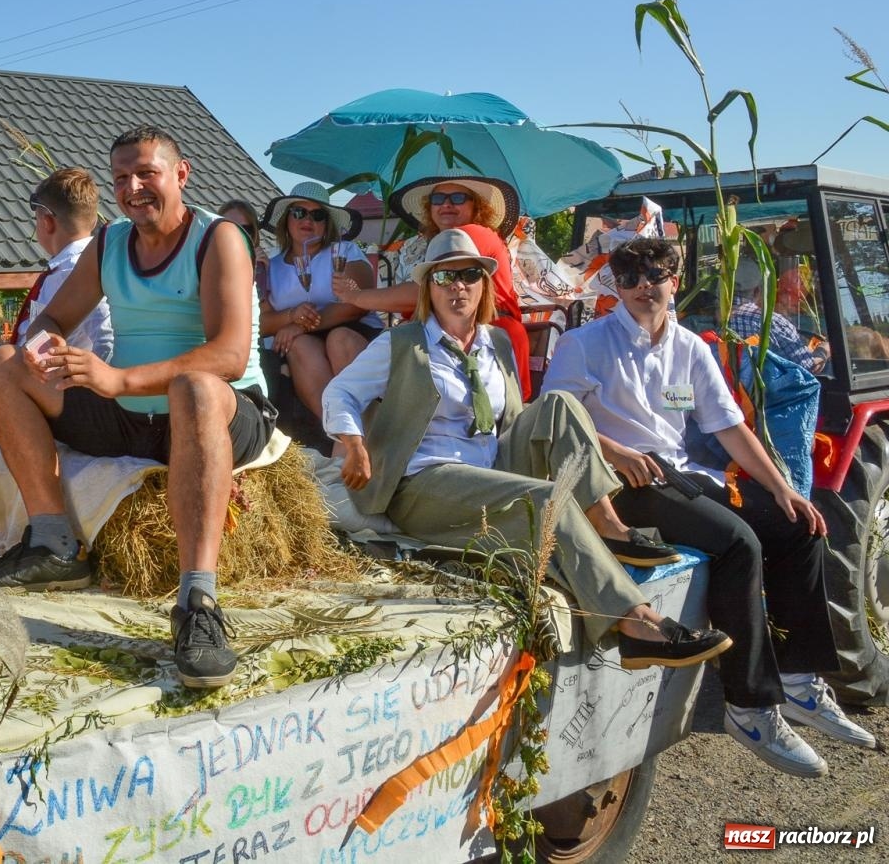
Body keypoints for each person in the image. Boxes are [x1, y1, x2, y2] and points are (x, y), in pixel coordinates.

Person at [322, 228, 731, 668]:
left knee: (560, 404)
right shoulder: (401, 344)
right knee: (547, 499)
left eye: (469, 275)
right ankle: (636, 623)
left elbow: (515, 420)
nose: (458, 286)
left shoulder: (495, 342)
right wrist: (355, 444)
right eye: (444, 277)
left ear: (483, 285)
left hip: (491, 468)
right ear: (428, 288)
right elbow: (340, 393)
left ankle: (609, 525)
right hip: (425, 484)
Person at [542, 236, 875, 777]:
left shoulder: (691, 348)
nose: (643, 287)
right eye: (629, 279)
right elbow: (554, 419)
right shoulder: (585, 344)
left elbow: (728, 426)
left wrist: (783, 488)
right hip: (616, 482)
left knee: (798, 526)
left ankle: (798, 680)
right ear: (617, 288)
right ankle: (749, 706)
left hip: (678, 473)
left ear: (674, 281)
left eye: (654, 275)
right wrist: (617, 451)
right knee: (737, 543)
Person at [0, 125, 275, 690]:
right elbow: (53, 318)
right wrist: (46, 347)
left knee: (193, 388)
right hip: (133, 412)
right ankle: (53, 543)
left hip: (221, 411)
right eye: (120, 178)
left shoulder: (219, 238)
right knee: (2, 364)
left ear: (181, 174)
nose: (133, 188)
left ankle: (198, 602)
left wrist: (118, 379)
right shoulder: (110, 241)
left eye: (146, 174)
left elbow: (230, 355)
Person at [0, 168, 113, 485]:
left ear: (46, 220)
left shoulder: (71, 270)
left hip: (56, 390)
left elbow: (101, 337)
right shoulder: (89, 262)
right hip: (61, 382)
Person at [337, 175, 533, 399]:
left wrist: (356, 297)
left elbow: (419, 293)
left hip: (487, 336)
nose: (446, 204)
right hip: (455, 335)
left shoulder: (470, 235)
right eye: (438, 199)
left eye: (457, 198)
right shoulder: (439, 243)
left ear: (476, 206)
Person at [258, 181, 379, 415]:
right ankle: (335, 426)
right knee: (299, 345)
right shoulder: (271, 266)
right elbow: (261, 324)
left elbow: (358, 304)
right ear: (286, 219)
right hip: (299, 342)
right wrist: (292, 317)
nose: (308, 220)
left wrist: (301, 326)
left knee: (338, 339)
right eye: (299, 212)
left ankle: (367, 423)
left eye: (318, 215)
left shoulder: (344, 252)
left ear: (327, 223)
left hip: (353, 330)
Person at [216, 199, 270, 300]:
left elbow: (258, 301)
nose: (236, 233)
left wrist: (269, 275)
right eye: (229, 227)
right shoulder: (202, 258)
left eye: (244, 229)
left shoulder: (258, 264)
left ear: (253, 232)